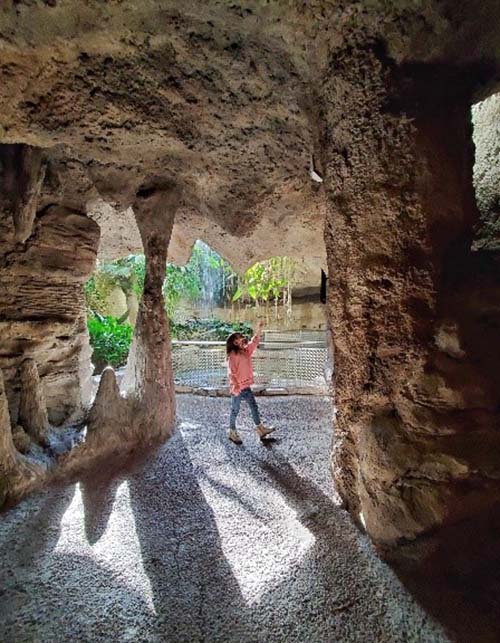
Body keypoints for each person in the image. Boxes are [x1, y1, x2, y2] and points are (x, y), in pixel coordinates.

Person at [226, 320, 275, 444]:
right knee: (234, 410)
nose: (242, 339)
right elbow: (231, 372)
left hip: (246, 387)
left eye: (241, 337)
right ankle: (232, 432)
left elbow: (255, 340)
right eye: (239, 338)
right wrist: (236, 385)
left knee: (253, 407)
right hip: (237, 388)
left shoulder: (246, 351)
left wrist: (259, 328)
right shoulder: (232, 355)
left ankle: (260, 429)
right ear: (234, 342)